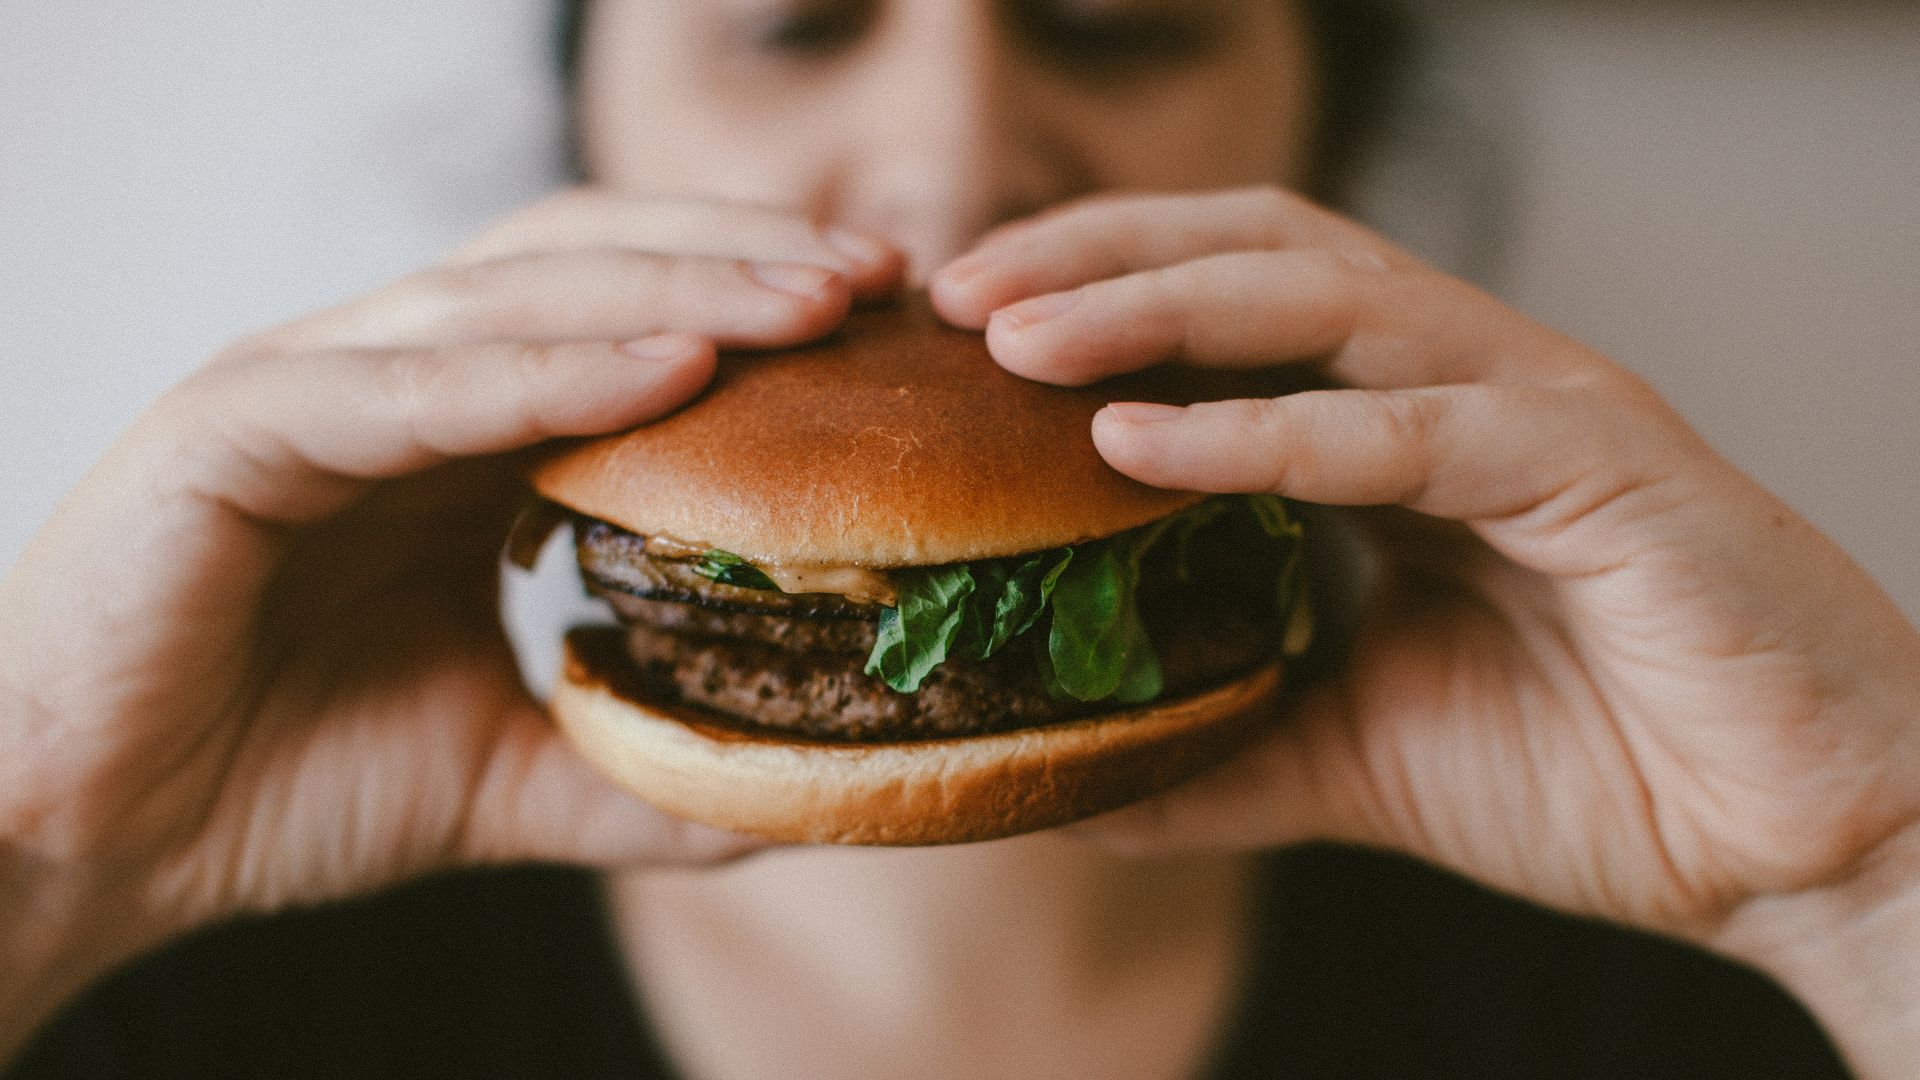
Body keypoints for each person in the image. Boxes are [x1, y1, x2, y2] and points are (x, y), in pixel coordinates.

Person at [3, 0, 1915, 1075]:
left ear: (1317, 150)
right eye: (791, 25)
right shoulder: (196, 987)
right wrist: (42, 856)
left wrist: (1871, 882)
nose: (951, 160)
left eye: (1123, 25)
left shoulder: (1672, 989)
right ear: (584, 140)